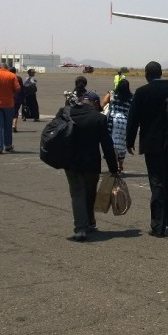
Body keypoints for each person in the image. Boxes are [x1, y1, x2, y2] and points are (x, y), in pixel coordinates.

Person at [127, 61, 168, 237]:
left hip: (152, 144)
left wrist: (129, 141)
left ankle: (158, 225)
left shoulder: (142, 92)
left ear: (147, 75)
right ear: (161, 73)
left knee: (157, 181)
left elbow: (133, 119)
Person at [61, 96, 121, 242]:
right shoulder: (98, 118)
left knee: (77, 194)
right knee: (89, 193)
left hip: (71, 162)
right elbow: (107, 145)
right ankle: (89, 222)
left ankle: (80, 227)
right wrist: (113, 167)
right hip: (91, 163)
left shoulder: (66, 113)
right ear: (94, 103)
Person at [103, 78, 132, 173]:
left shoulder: (112, 94)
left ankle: (114, 165)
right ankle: (120, 165)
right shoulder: (131, 97)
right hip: (125, 122)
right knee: (122, 144)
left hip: (113, 120)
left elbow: (103, 103)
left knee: (113, 143)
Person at [10, 66, 24, 133]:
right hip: (18, 97)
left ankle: (9, 125)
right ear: (15, 71)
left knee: (9, 112)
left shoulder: (8, 78)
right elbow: (22, 89)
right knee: (16, 112)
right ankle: (14, 125)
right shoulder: (19, 78)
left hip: (9, 98)